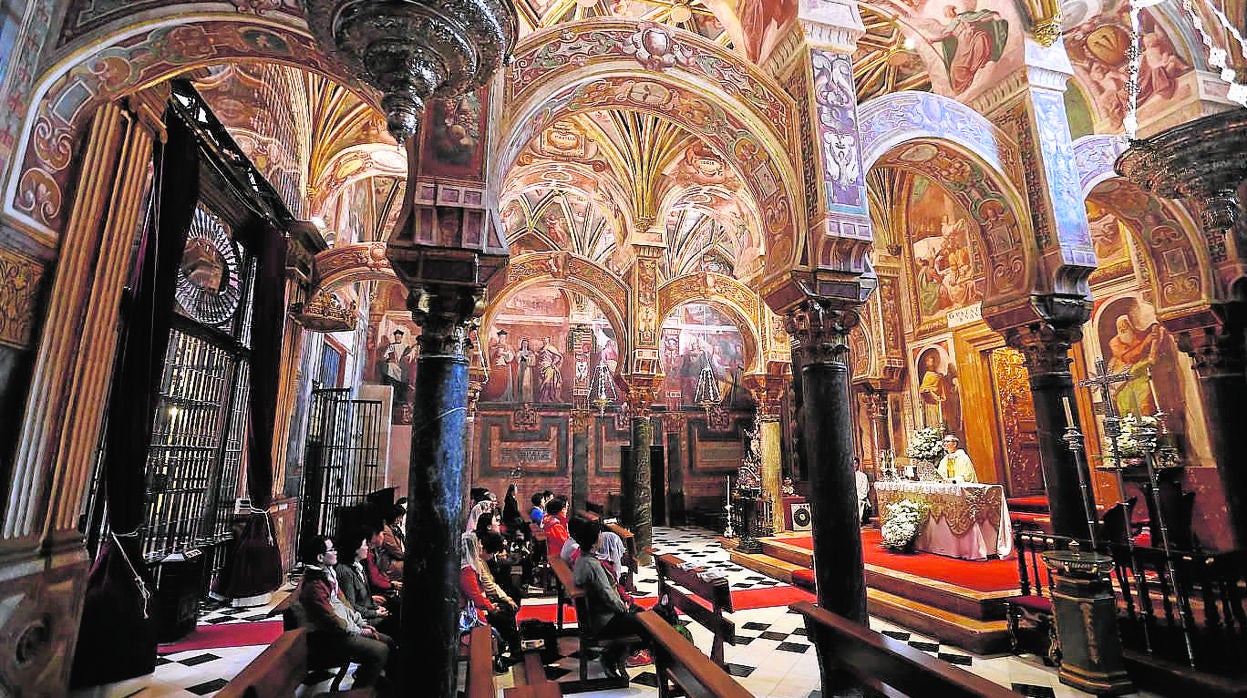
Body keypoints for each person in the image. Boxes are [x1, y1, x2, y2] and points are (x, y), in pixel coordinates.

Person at [297, 536, 390, 689]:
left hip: (342, 629)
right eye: (331, 550)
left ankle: (379, 684)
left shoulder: (328, 575)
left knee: (388, 642)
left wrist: (360, 623)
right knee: (380, 651)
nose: (335, 552)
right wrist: (359, 630)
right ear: (320, 557)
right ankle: (360, 690)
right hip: (328, 637)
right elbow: (331, 619)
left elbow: (345, 604)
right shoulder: (315, 585)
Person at [570, 520, 651, 678]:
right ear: (594, 540)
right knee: (647, 624)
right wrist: (623, 608)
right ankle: (616, 656)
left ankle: (616, 654)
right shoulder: (592, 565)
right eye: (600, 535)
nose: (601, 538)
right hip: (604, 621)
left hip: (595, 616)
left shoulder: (581, 560)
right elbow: (607, 594)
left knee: (641, 613)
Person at [334, 532, 390, 627]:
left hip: (366, 612)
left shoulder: (359, 566)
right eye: (364, 544)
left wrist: (376, 608)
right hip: (359, 620)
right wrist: (375, 613)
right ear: (355, 549)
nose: (367, 547)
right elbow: (351, 606)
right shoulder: (345, 572)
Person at [854, 458, 870, 523]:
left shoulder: (863, 476)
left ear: (858, 464)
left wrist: (855, 495)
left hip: (860, 497)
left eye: (855, 463)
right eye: (852, 463)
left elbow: (864, 490)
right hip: (848, 497)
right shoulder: (846, 476)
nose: (854, 465)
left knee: (858, 502)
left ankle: (857, 522)